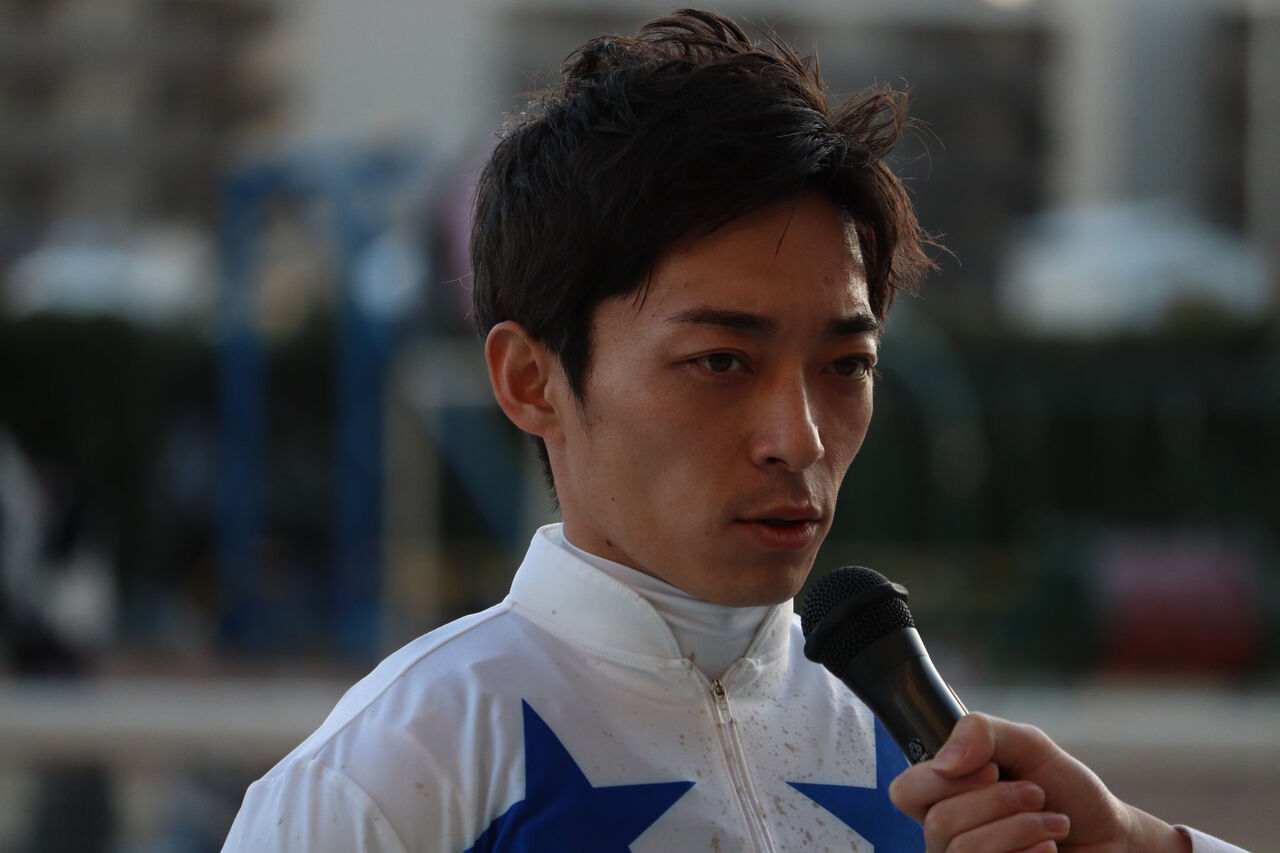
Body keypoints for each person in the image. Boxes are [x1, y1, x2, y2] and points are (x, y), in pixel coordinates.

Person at [222, 10, 1248, 852]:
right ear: (531, 380)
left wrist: (1137, 846)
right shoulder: (389, 774)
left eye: (846, 365)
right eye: (720, 361)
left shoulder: (944, 775)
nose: (798, 438)